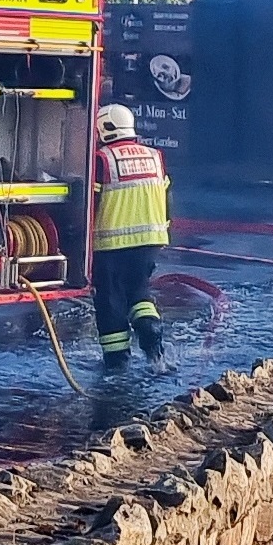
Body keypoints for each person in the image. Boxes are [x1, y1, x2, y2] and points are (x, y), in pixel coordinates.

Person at [91, 104, 168, 370]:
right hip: (149, 243)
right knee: (139, 291)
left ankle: (117, 362)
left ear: (104, 127)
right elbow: (166, 195)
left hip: (111, 245)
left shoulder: (103, 159)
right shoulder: (155, 156)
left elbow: (91, 202)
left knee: (111, 299)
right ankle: (153, 341)